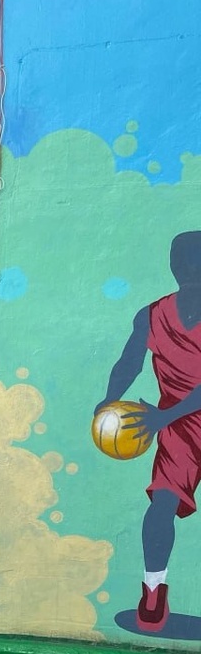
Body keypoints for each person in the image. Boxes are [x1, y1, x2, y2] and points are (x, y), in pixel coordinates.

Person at [98, 229, 201, 632]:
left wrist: (162, 417)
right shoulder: (153, 315)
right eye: (184, 264)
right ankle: (153, 590)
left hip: (171, 417)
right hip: (178, 425)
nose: (189, 270)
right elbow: (129, 362)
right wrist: (109, 400)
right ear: (175, 268)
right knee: (161, 504)